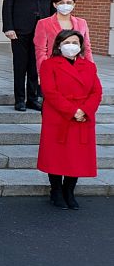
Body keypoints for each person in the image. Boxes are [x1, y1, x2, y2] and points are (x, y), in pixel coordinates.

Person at [37, 30, 102, 210]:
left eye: (75, 42)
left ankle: (69, 191)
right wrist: (72, 111)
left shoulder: (89, 66)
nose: (71, 46)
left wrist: (85, 111)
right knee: (56, 155)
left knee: (77, 157)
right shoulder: (49, 65)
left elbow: (96, 91)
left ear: (80, 46)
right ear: (58, 45)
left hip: (83, 117)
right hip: (58, 115)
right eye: (67, 42)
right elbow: (50, 92)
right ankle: (56, 191)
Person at [2, 0, 58, 112]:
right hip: (20, 29)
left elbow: (53, 6)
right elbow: (8, 5)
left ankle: (33, 98)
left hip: (43, 30)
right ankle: (19, 99)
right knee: (20, 65)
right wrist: (8, 27)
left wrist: (54, 28)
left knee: (36, 66)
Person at [34, 0, 93, 74]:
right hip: (54, 67)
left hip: (78, 67)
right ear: (55, 5)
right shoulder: (43, 23)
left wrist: (91, 69)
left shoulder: (82, 22)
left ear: (74, 5)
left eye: (69, 2)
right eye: (61, 3)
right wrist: (42, 72)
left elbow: (87, 48)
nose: (65, 5)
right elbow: (40, 50)